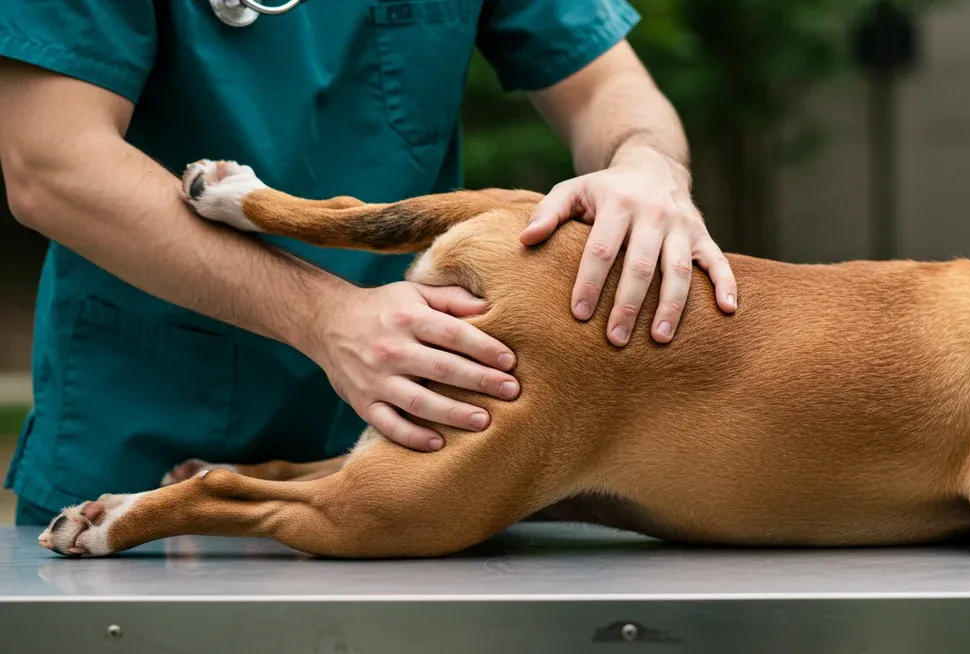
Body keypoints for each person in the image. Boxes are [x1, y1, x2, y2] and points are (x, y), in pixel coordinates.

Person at [0, 1, 737, 527]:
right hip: (148, 444)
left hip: (426, 450)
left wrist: (646, 164)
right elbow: (51, 161)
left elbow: (609, 87)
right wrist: (326, 317)